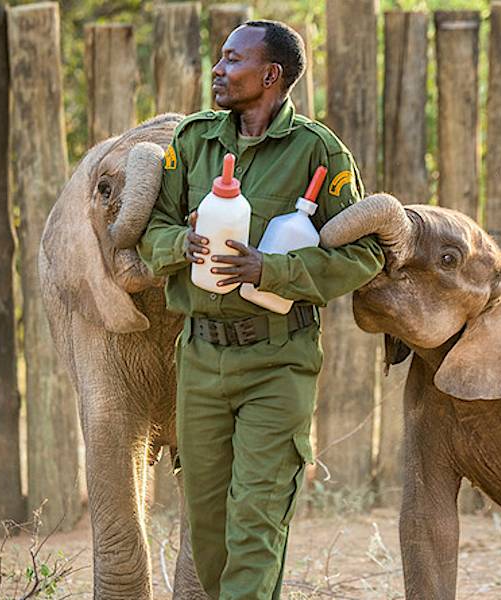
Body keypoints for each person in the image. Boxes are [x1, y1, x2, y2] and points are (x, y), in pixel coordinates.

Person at [139, 20, 384, 600]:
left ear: (270, 75)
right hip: (198, 359)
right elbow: (153, 230)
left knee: (255, 522)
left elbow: (364, 253)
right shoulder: (193, 142)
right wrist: (181, 245)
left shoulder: (319, 152)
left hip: (278, 362)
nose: (217, 70)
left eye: (232, 60)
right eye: (219, 59)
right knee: (207, 529)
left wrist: (272, 272)